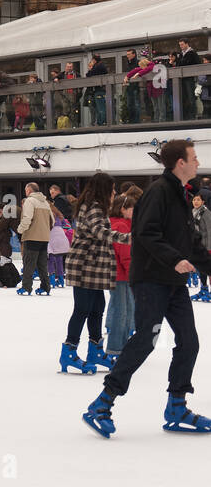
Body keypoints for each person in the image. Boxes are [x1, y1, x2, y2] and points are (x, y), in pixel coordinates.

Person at [84, 140, 211, 437]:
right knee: (145, 339)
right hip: (152, 279)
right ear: (180, 162)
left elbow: (190, 242)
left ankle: (177, 406)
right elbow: (146, 234)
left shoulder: (181, 193)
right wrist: (175, 259)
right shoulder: (158, 192)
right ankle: (101, 404)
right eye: (193, 157)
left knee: (189, 341)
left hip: (173, 282)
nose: (197, 161)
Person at [58, 173, 130, 375]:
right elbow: (101, 232)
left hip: (94, 267)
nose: (114, 193)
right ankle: (69, 351)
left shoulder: (96, 206)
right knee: (82, 309)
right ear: (104, 189)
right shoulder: (93, 207)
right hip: (85, 266)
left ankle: (96, 350)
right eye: (112, 189)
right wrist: (129, 238)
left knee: (98, 307)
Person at [103, 191, 137, 361]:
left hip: (117, 273)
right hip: (121, 275)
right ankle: (116, 348)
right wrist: (132, 273)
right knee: (122, 312)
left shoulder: (117, 223)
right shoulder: (121, 226)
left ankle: (121, 345)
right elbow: (125, 253)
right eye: (132, 208)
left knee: (125, 310)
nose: (134, 212)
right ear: (123, 209)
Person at [16, 181, 54, 295]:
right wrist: (45, 231)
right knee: (42, 264)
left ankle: (26, 287)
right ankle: (45, 287)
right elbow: (52, 220)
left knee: (29, 263)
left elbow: (27, 218)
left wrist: (20, 230)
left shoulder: (30, 201)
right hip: (44, 237)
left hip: (32, 236)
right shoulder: (46, 203)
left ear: (29, 190)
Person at [47, 205, 72, 288]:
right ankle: (61, 280)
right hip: (61, 237)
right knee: (59, 259)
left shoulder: (47, 214)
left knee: (50, 259)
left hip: (52, 237)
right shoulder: (59, 215)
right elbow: (65, 224)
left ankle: (52, 280)